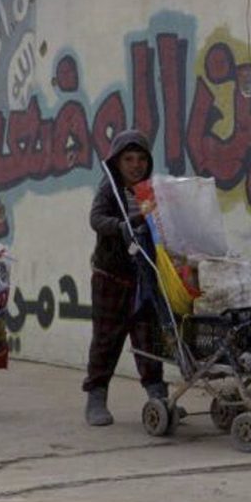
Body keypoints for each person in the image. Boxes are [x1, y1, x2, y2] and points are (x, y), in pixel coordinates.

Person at [82, 129, 170, 426]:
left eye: (141, 159)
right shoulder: (110, 190)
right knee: (106, 339)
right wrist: (120, 226)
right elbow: (96, 219)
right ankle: (96, 396)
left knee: (149, 338)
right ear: (117, 162)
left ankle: (158, 396)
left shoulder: (151, 191)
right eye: (128, 159)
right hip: (111, 277)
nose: (135, 165)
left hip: (144, 277)